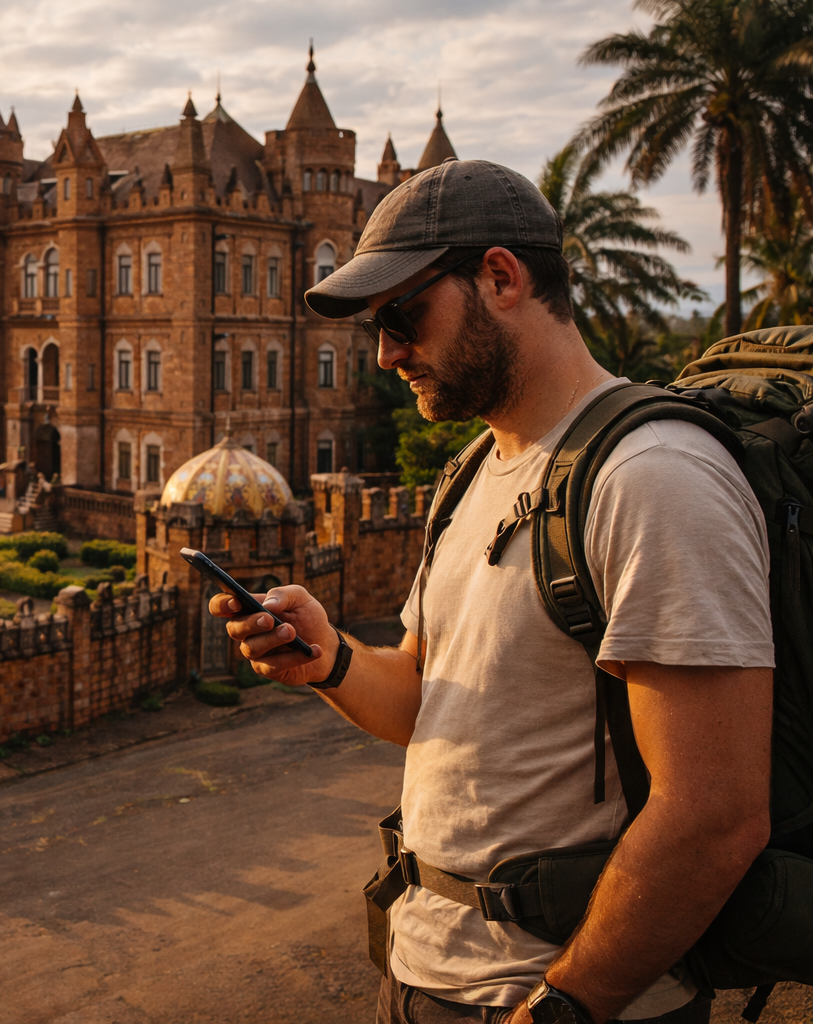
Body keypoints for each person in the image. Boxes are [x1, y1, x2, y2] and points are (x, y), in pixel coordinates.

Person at [215, 160, 773, 1024]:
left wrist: (565, 1006)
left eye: (403, 315)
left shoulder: (653, 478)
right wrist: (329, 661)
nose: (387, 353)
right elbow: (424, 702)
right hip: (422, 972)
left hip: (564, 1000)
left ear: (502, 277)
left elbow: (714, 815)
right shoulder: (478, 468)